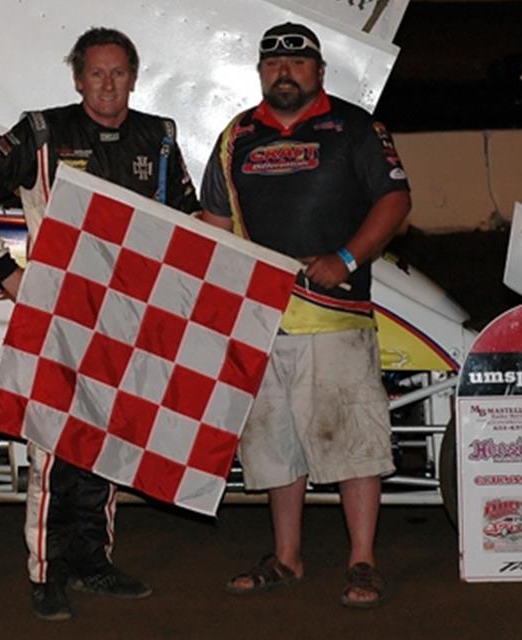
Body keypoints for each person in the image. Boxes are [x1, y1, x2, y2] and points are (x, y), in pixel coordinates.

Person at [0, 27, 201, 621]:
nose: (107, 84)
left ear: (134, 78)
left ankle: (93, 562)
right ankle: (46, 572)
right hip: (59, 314)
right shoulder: (41, 130)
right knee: (55, 451)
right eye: (96, 73)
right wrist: (7, 273)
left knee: (109, 446)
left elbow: (187, 221)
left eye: (118, 73)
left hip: (128, 318)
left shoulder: (158, 138)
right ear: (77, 78)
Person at [199, 22, 411, 608]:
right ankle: (286, 557)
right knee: (273, 446)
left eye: (296, 64)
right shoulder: (236, 135)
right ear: (261, 71)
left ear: (319, 71)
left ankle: (362, 561)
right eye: (272, 64)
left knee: (354, 442)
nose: (283, 73)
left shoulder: (356, 127)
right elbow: (214, 225)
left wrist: (346, 258)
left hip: (335, 316)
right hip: (262, 318)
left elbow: (396, 199)